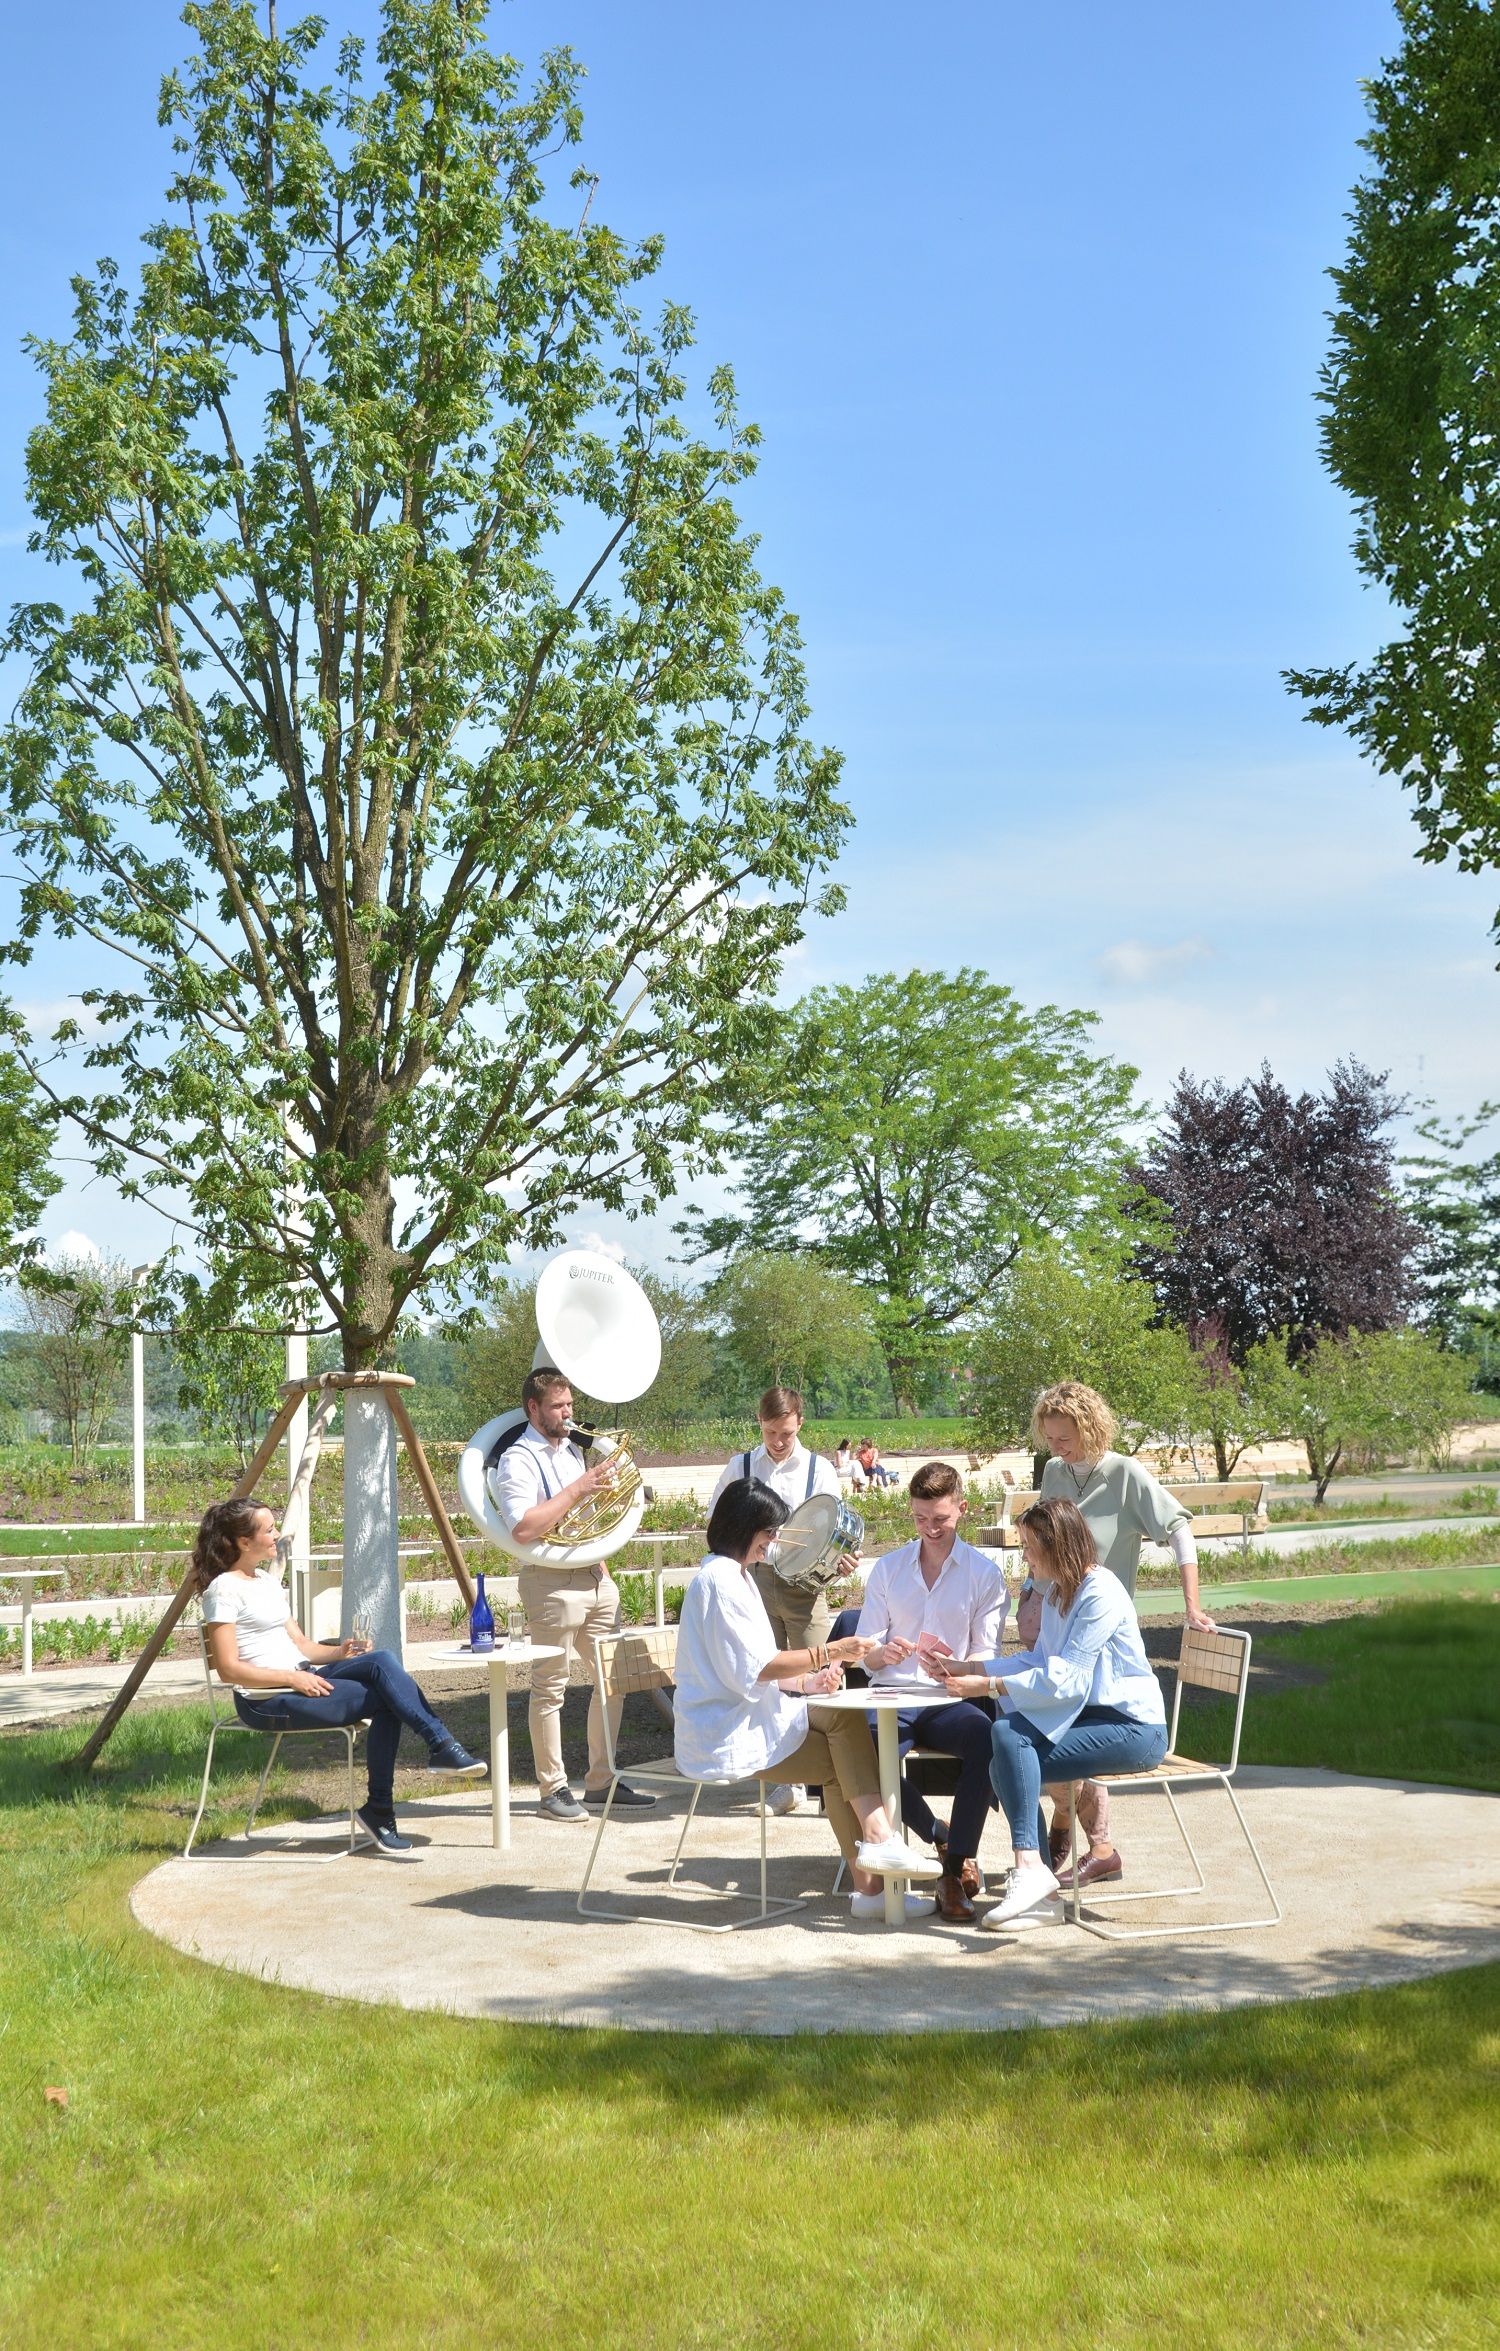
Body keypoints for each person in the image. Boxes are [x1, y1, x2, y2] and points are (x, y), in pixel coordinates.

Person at [674, 1478, 943, 1920]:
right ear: (745, 1529)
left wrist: (808, 1684)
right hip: (723, 1731)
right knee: (843, 1745)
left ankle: (873, 1877)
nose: (774, 1542)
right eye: (769, 1533)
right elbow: (757, 1668)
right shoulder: (721, 1581)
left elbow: (747, 1670)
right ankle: (877, 1861)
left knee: (841, 1725)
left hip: (740, 1712)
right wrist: (832, 1652)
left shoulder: (731, 1575)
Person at [195, 1497, 485, 1857]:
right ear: (243, 1541)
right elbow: (228, 1669)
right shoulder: (223, 1590)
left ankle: (437, 1753)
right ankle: (390, 1799)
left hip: (300, 1677)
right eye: (268, 1529)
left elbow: (300, 1643)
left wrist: (339, 1652)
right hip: (265, 1700)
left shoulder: (267, 1583)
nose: (276, 1534)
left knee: (379, 1660)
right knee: (387, 1700)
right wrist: (291, 1678)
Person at [928, 1497, 1167, 1930]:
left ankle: (1033, 1876)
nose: (1023, 1555)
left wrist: (986, 1685)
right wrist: (970, 1667)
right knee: (1006, 1743)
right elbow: (1039, 1660)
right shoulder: (1059, 1591)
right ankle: (1038, 1883)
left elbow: (1070, 1677)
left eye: (1028, 1545)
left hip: (1135, 1729)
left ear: (1055, 1545)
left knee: (1009, 1746)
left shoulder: (1100, 1593)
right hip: (1093, 1720)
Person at [1032, 1379, 1216, 1889]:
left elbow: (1179, 1527)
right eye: (1050, 1438)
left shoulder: (1125, 1473)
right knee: (1043, 1725)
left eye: (1064, 1438)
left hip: (1106, 1634)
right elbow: (1044, 1539)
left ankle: (1094, 1843)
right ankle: (1074, 1829)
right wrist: (1030, 1594)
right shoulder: (1054, 1472)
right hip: (1059, 1621)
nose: (1057, 1448)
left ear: (1089, 1428)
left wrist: (1192, 1604)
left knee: (1067, 1732)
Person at [491, 1366, 656, 1823]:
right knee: (551, 1687)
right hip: (550, 1582)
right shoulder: (518, 1458)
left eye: (570, 1406)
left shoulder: (570, 1451)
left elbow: (585, 1515)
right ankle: (553, 1789)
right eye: (558, 1407)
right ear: (533, 1408)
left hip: (595, 1575)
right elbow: (524, 1526)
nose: (568, 1415)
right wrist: (581, 1485)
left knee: (614, 1680)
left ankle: (601, 1781)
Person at [853, 1461, 1008, 1921]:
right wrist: (883, 1654)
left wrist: (952, 1668)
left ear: (962, 1509)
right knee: (860, 1754)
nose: (930, 1529)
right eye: (921, 1519)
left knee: (986, 1738)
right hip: (891, 1696)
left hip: (947, 1698)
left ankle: (953, 1868)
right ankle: (937, 1833)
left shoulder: (984, 1574)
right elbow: (865, 1651)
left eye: (939, 1519)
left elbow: (986, 1655)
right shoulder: (888, 1568)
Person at [708, 1388, 854, 1817]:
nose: (777, 1441)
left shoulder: (819, 1468)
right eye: (770, 1432)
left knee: (821, 1676)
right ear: (759, 1423)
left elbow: (835, 1531)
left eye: (786, 1433)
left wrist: (841, 1558)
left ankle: (832, 1782)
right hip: (751, 1582)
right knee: (765, 1683)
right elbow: (717, 1519)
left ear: (800, 1424)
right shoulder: (741, 1465)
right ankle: (784, 1783)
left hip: (806, 1589)